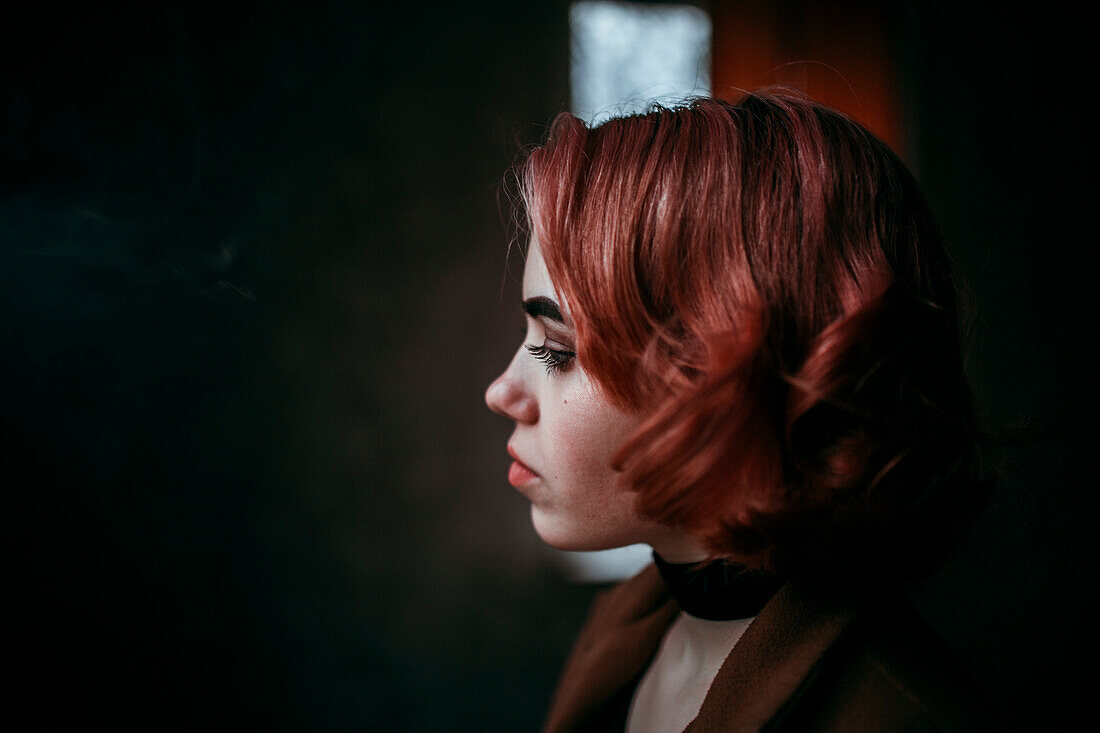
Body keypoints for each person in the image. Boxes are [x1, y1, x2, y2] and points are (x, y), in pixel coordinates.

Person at [485, 90, 1001, 732]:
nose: (501, 391)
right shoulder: (625, 634)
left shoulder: (897, 715)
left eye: (558, 350)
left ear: (736, 378)